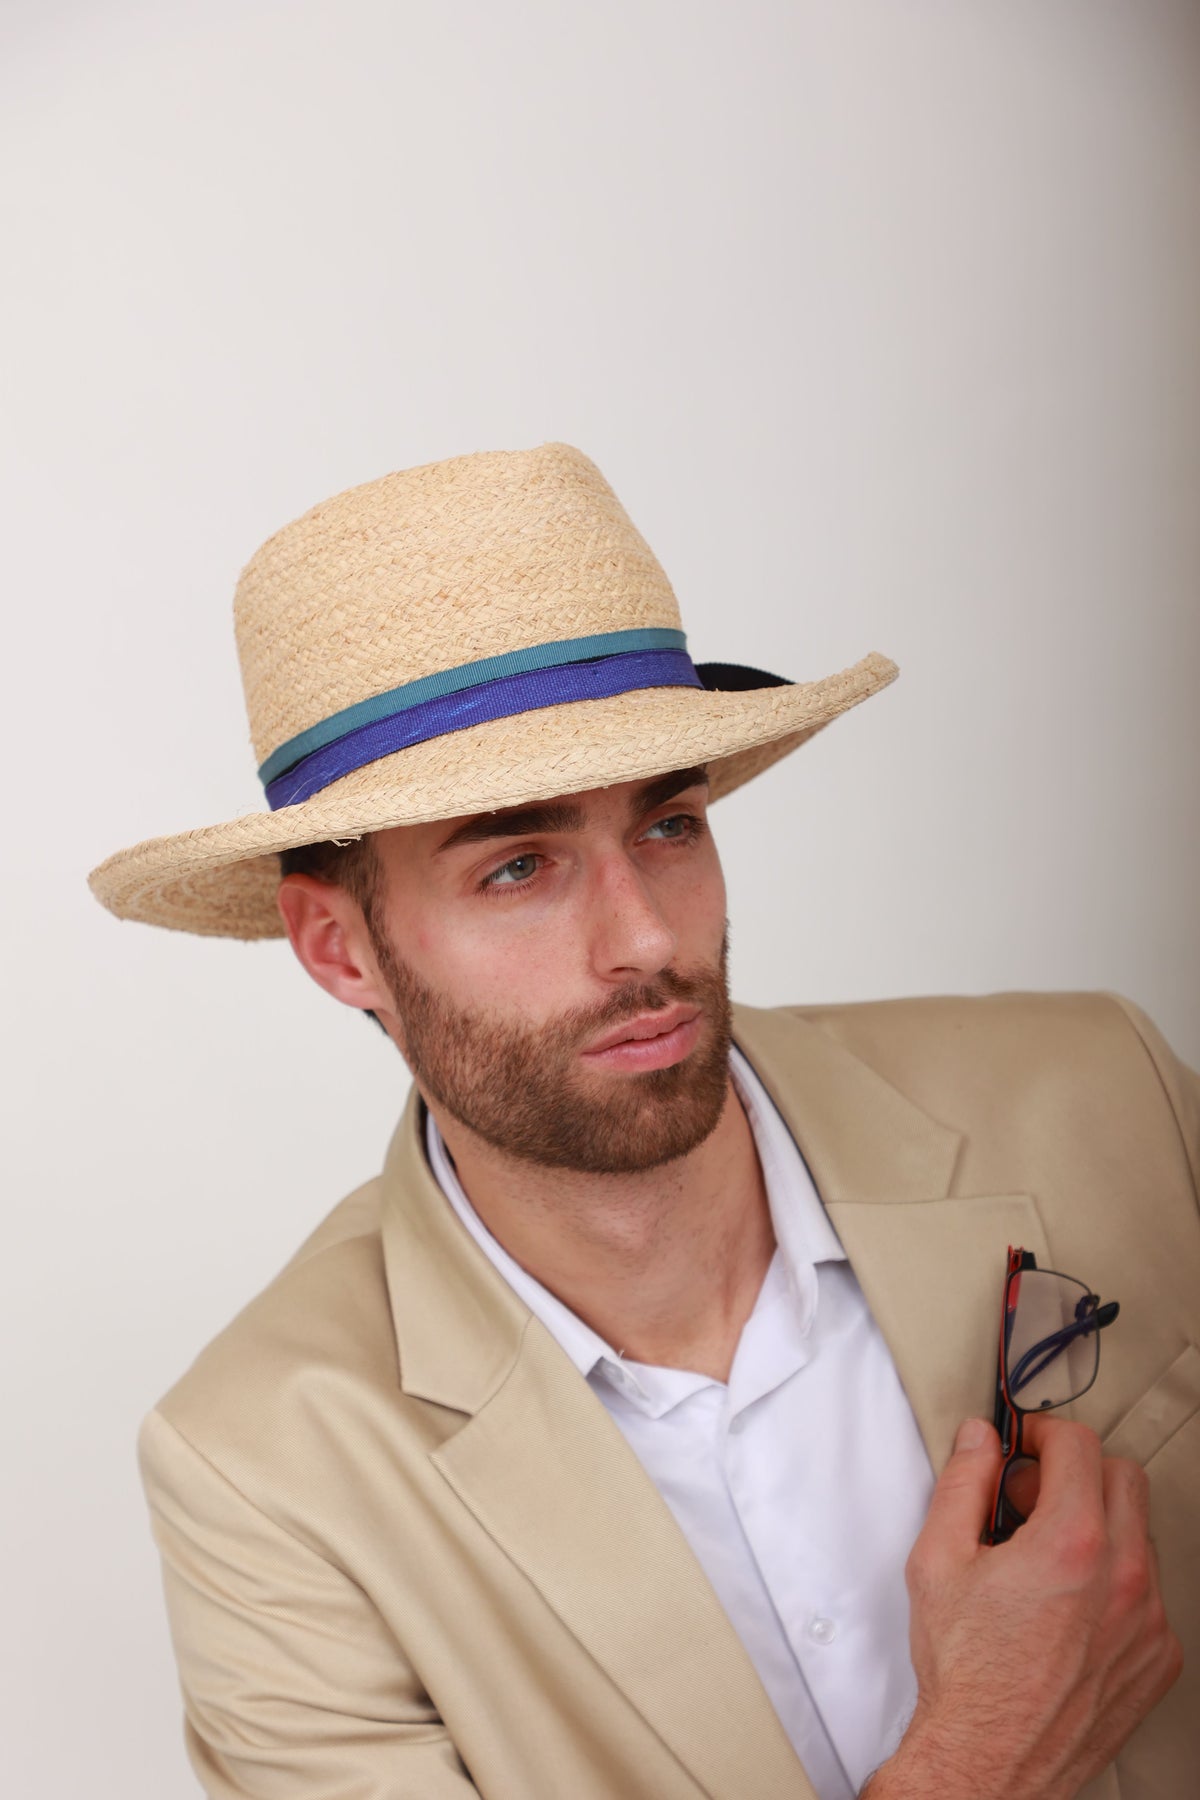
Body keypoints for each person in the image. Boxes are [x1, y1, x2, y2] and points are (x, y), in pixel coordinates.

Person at [89, 443, 1196, 1800]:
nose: (647, 940)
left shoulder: (1107, 1091)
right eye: (518, 866)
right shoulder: (265, 1474)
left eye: (669, 827)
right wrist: (984, 1758)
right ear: (339, 948)